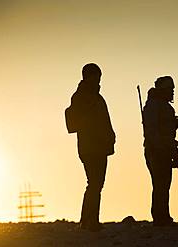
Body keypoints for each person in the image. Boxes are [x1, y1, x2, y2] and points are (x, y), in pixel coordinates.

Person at [66, 63, 115, 231]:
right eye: (95, 76)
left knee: (96, 184)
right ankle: (88, 221)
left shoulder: (96, 97)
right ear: (87, 76)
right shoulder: (81, 96)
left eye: (98, 76)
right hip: (90, 147)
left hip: (99, 146)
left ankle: (89, 220)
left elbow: (104, 120)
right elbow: (85, 121)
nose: (97, 79)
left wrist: (110, 137)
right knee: (94, 183)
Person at [142, 76, 178, 226]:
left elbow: (168, 133)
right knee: (160, 185)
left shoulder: (165, 107)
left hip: (164, 150)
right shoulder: (153, 106)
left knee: (164, 185)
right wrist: (160, 148)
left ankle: (163, 215)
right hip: (156, 151)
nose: (172, 92)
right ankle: (160, 217)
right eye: (170, 89)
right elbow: (152, 131)